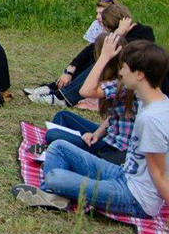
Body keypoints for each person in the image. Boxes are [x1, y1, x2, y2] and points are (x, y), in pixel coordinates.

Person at [11, 40, 169, 217]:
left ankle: (51, 192)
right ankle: (53, 195)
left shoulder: (152, 119)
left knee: (55, 177)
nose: (121, 72)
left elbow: (160, 173)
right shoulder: (152, 103)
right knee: (58, 147)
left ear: (139, 75)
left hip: (134, 198)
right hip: (124, 174)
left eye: (124, 67)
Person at [34, 33, 136, 165]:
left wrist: (103, 57)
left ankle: (58, 152)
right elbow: (114, 116)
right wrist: (97, 133)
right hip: (108, 135)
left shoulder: (120, 83)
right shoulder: (117, 78)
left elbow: (84, 91)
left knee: (52, 135)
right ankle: (57, 149)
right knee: (63, 115)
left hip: (111, 150)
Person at [29, 2, 157, 105]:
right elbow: (91, 48)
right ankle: (57, 88)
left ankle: (64, 97)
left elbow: (125, 58)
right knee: (94, 52)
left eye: (106, 27)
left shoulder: (144, 33)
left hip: (133, 79)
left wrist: (118, 33)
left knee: (104, 60)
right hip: (121, 75)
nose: (105, 29)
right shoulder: (120, 34)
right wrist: (70, 69)